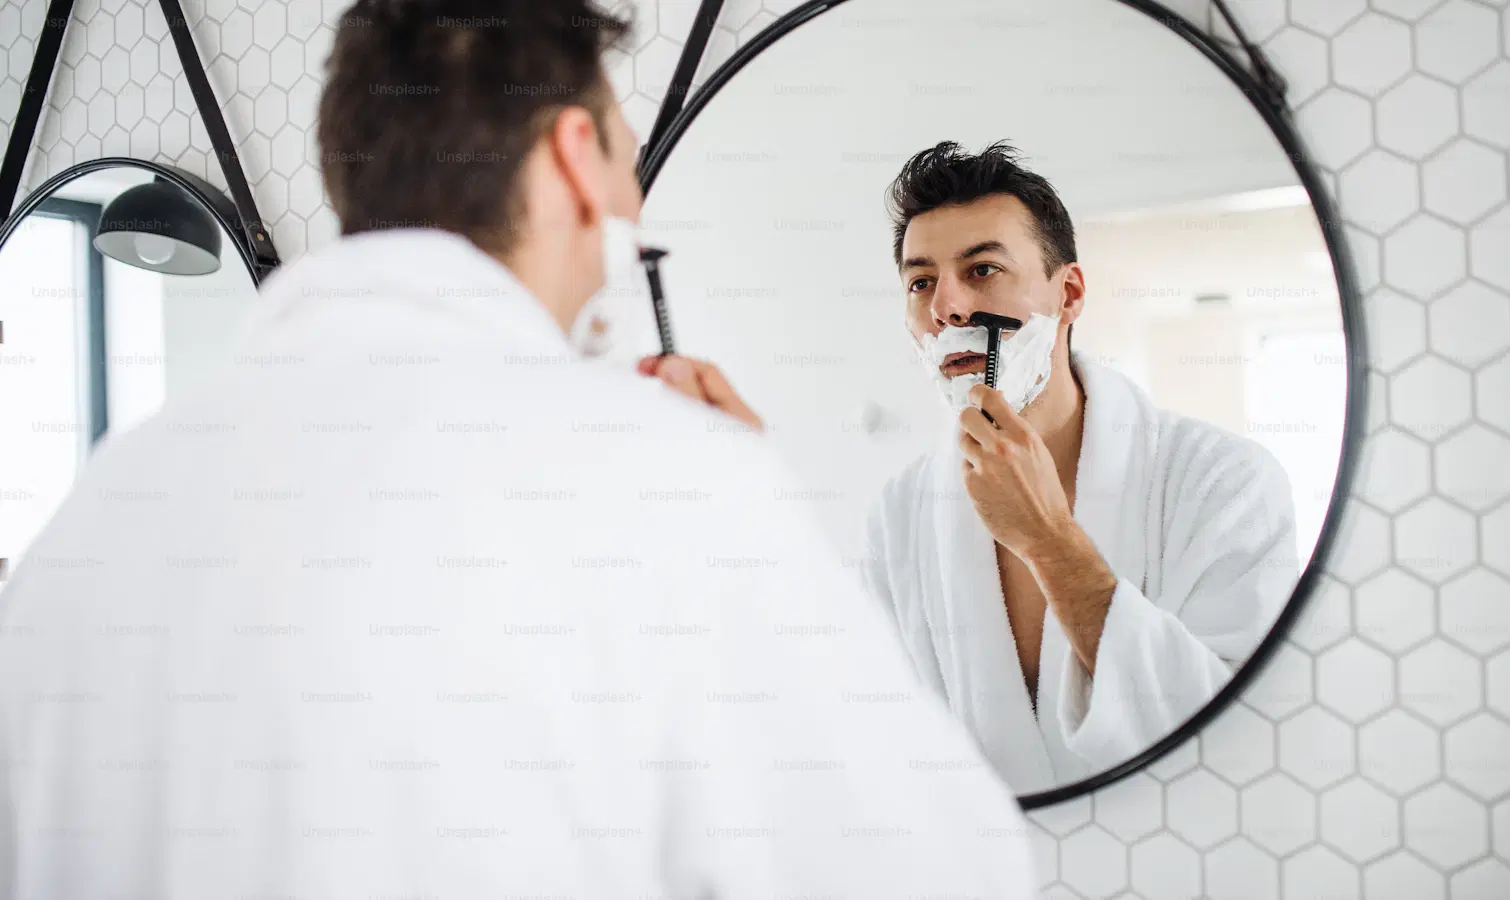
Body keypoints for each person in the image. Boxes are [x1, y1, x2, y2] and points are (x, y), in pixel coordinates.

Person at [0, 7, 1035, 898]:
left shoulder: (88, 528)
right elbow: (949, 873)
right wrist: (749, 519)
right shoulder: (666, 491)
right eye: (627, 157)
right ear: (577, 156)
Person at [861, 141, 1299, 795]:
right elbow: (890, 754)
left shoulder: (1225, 482)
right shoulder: (899, 517)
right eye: (921, 282)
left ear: (1068, 294)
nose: (946, 307)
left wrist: (1050, 542)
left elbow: (1238, 745)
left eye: (981, 270)